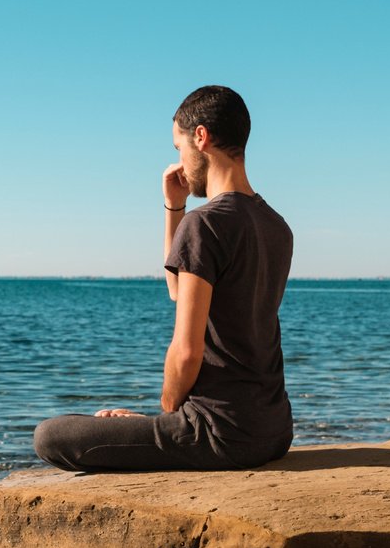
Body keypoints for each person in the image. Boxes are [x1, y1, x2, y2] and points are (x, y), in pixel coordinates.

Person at [33, 85, 294, 471]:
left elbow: (186, 353)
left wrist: (166, 415)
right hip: (274, 430)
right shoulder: (276, 225)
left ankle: (162, 426)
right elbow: (178, 288)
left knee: (51, 436)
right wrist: (175, 206)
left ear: (201, 137)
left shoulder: (206, 224)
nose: (180, 161)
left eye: (178, 147)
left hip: (220, 433)